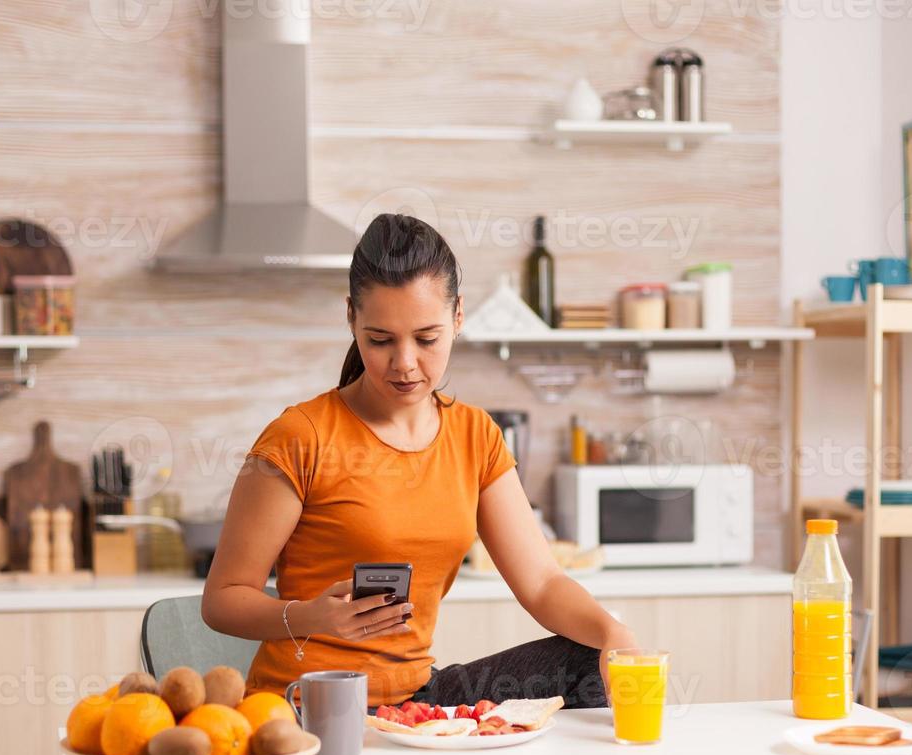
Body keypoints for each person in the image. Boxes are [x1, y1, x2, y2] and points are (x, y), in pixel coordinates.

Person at [201, 213, 639, 709]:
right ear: (352, 319)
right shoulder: (300, 436)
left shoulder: (476, 436)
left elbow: (541, 583)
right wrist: (312, 617)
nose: (405, 363)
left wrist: (612, 631)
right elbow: (222, 599)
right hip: (306, 706)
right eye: (380, 340)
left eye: (426, 339)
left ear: (457, 318)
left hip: (413, 701)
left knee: (591, 659)